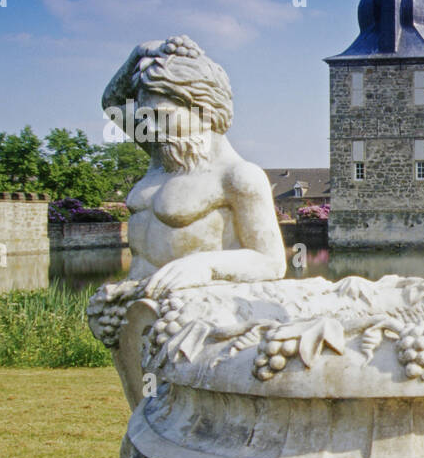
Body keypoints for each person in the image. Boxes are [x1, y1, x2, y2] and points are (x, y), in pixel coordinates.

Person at [102, 36, 286, 294]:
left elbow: (271, 263)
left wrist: (206, 266)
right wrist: (138, 54)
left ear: (205, 111)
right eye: (146, 117)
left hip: (200, 315)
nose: (150, 129)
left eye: (162, 117)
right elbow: (112, 104)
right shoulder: (163, 154)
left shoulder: (238, 176)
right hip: (140, 313)